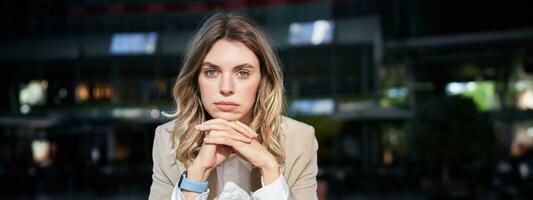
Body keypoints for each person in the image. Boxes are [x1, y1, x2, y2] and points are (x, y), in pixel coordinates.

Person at [149, 12, 318, 200]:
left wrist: (270, 169)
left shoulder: (300, 139)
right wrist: (196, 175)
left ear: (263, 80)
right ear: (196, 79)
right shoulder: (169, 139)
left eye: (243, 73)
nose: (226, 88)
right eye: (212, 72)